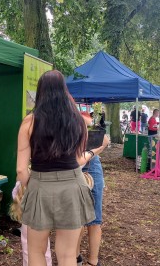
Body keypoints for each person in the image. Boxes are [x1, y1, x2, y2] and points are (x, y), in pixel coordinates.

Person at [17, 70, 95, 266]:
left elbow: (20, 170)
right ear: (64, 90)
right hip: (72, 186)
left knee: (36, 251)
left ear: (40, 92)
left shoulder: (29, 122)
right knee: (68, 255)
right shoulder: (78, 121)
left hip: (40, 187)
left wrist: (30, 187)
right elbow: (78, 160)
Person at [77, 112, 110, 266]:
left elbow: (91, 124)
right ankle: (74, 257)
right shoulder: (61, 116)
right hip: (72, 164)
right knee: (76, 219)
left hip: (91, 164)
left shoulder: (81, 115)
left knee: (94, 218)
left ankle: (93, 260)